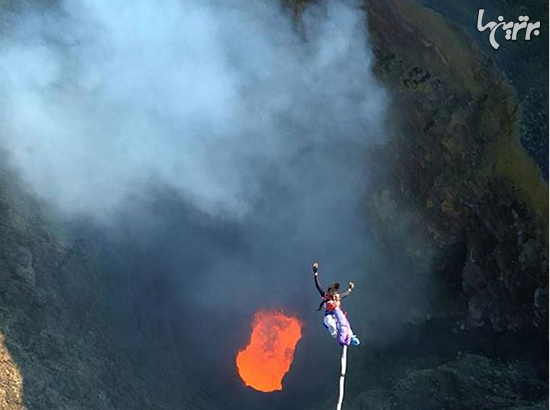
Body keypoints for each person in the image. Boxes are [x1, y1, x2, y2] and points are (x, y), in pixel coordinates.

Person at [312, 262, 360, 346]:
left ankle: (352, 337)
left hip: (338, 316)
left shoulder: (337, 297)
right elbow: (318, 286)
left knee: (344, 325)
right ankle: (333, 331)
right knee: (329, 322)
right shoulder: (325, 296)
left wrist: (349, 289)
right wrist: (315, 273)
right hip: (329, 316)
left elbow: (345, 294)